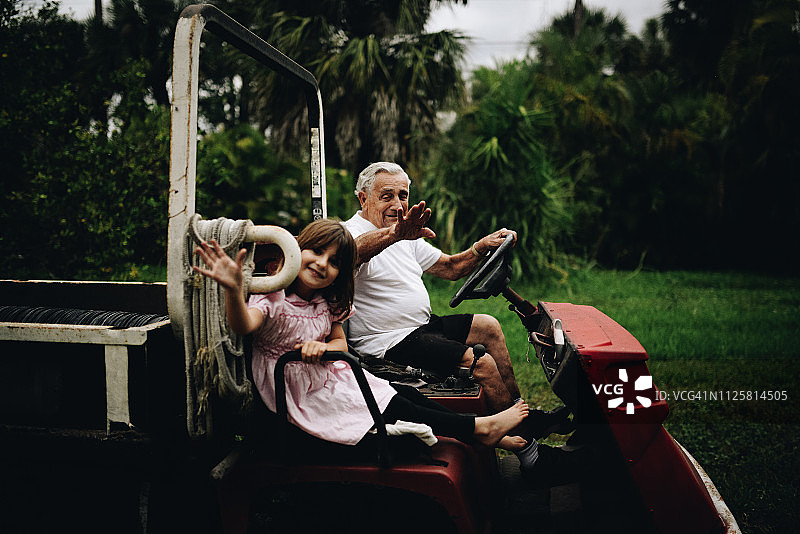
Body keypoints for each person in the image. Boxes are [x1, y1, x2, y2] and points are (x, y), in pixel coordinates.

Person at [192, 218, 529, 450]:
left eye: (334, 261)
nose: (323, 264)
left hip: (331, 374)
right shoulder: (274, 298)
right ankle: (479, 429)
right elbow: (243, 325)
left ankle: (482, 435)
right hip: (300, 392)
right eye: (316, 252)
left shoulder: (325, 303)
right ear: (295, 252)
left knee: (407, 397)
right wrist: (235, 291)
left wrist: (325, 349)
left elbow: (339, 340)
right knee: (400, 405)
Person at [342, 163, 585, 485]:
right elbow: (353, 255)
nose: (398, 205)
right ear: (363, 198)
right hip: (385, 341)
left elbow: (451, 267)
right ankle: (531, 456)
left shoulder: (406, 232)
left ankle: (520, 415)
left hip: (420, 327)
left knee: (487, 325)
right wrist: (395, 234)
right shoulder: (350, 234)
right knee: (481, 364)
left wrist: (479, 248)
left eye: (403, 195)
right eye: (387, 196)